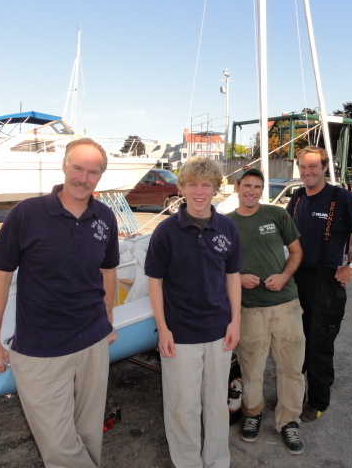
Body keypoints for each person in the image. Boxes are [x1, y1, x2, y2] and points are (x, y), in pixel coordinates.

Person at [0, 138, 119, 468]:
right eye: (78, 168)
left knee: (88, 434)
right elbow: (0, 277)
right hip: (40, 349)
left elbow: (108, 271)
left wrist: (108, 320)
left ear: (100, 177)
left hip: (92, 343)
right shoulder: (26, 214)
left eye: (93, 172)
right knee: (59, 446)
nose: (84, 178)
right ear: (64, 166)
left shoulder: (105, 218)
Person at [145, 157, 242, 468]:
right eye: (192, 185)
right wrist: (163, 328)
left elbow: (232, 277)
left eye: (206, 185)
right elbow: (155, 281)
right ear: (181, 188)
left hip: (219, 330)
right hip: (180, 332)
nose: (199, 191)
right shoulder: (166, 231)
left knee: (216, 403)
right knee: (183, 405)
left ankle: (217, 462)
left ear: (215, 188)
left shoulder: (227, 227)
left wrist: (235, 321)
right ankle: (187, 463)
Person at [285, 146, 352, 422]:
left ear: (325, 167)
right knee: (295, 341)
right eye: (302, 166)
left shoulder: (341, 197)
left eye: (313, 166)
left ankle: (317, 401)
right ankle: (294, 394)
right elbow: (286, 234)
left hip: (326, 282)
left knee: (319, 344)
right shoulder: (298, 197)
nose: (307, 172)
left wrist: (350, 267)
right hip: (297, 278)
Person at [226, 167, 306, 455]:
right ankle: (252, 414)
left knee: (291, 368)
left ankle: (289, 421)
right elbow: (219, 265)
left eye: (257, 186)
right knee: (251, 369)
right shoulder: (226, 223)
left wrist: (284, 276)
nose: (252, 191)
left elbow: (296, 252)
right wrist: (238, 277)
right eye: (247, 185)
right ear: (237, 187)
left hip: (286, 305)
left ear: (262, 189)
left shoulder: (277, 215)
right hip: (250, 309)